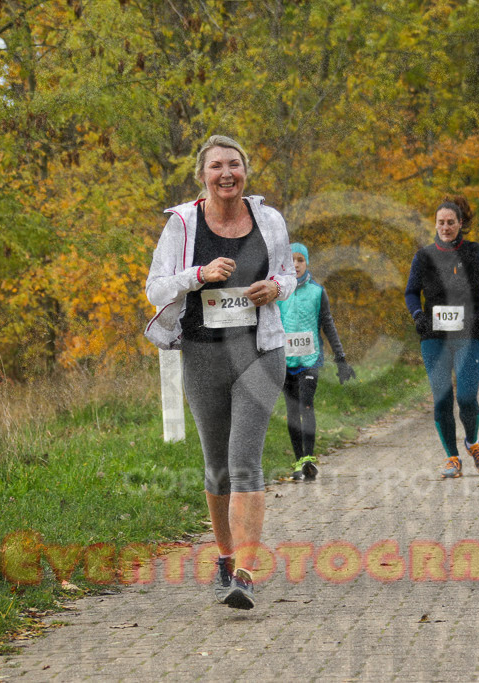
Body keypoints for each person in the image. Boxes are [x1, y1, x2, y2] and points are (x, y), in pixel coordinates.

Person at [143, 134, 297, 610]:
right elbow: (155, 289)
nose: (226, 173)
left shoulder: (269, 220)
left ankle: (245, 575)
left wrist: (275, 289)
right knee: (218, 466)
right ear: (202, 175)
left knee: (244, 458)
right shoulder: (182, 224)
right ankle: (226, 559)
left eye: (234, 164)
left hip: (259, 351)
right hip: (203, 353)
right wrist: (200, 275)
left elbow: (289, 274)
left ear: (245, 171)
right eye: (216, 166)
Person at [405, 196, 479, 479]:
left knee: (467, 397)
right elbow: (411, 292)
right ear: (435, 224)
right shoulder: (423, 256)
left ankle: (472, 443)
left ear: (460, 224)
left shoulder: (475, 252)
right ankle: (452, 458)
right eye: (441, 222)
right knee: (442, 399)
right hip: (434, 336)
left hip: (469, 334)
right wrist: (418, 316)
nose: (445, 227)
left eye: (450, 222)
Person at [277, 243, 356, 482]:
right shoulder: (278, 292)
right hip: (285, 361)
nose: (296, 265)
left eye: (300, 260)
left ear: (307, 262)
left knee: (306, 405)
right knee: (292, 412)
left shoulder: (317, 292)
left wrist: (341, 359)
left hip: (310, 360)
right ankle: (298, 461)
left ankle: (308, 460)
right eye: (291, 260)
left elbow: (328, 325)